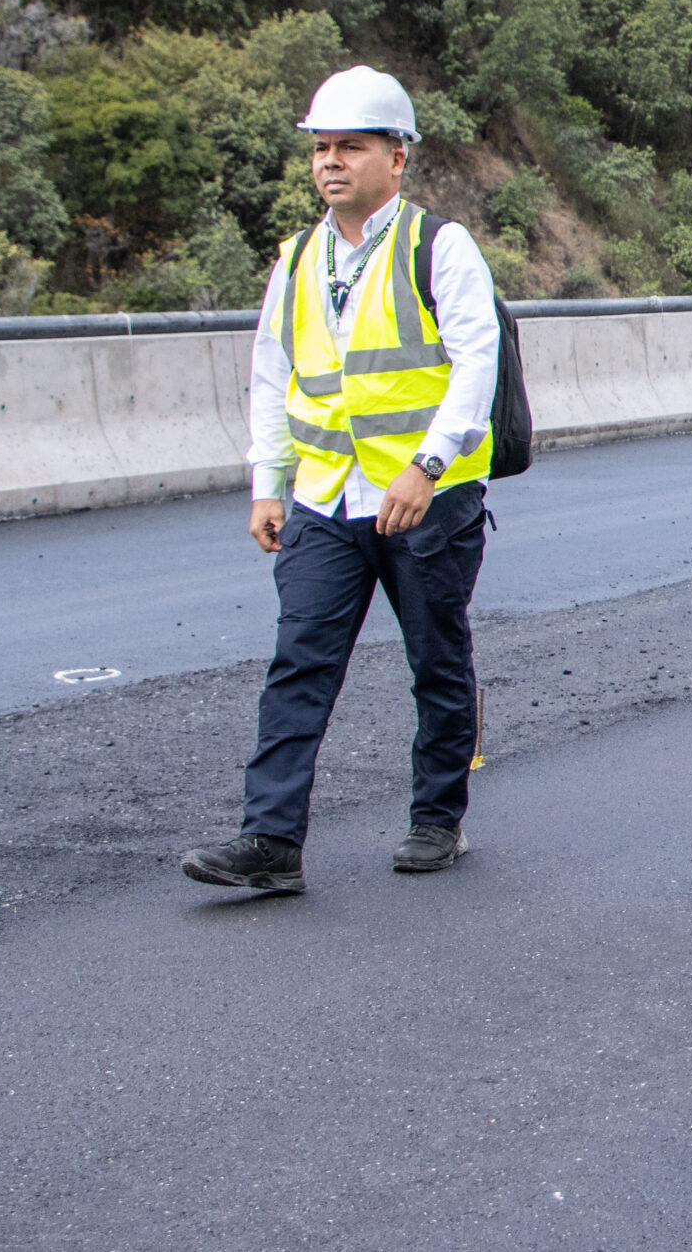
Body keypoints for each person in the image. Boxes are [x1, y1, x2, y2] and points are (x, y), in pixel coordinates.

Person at [180, 67, 501, 894]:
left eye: (350, 147)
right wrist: (266, 482)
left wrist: (427, 466)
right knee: (299, 662)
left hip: (426, 501)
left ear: (397, 158)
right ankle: (271, 840)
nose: (330, 162)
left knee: (436, 658)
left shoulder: (439, 245)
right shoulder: (295, 259)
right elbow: (270, 374)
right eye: (321, 147)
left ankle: (437, 820)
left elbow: (476, 365)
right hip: (325, 499)